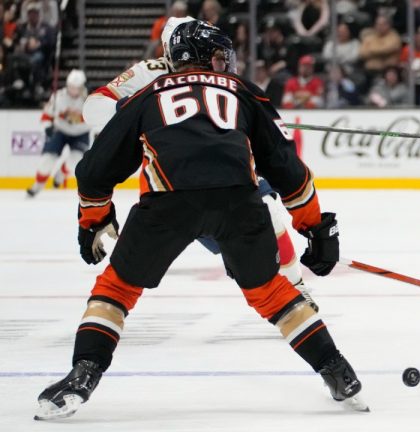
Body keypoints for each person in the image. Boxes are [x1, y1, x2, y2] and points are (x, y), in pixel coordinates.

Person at [33, 20, 367, 421]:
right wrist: (314, 225)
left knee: (117, 289)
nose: (225, 62)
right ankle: (337, 370)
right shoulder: (244, 90)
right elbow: (288, 170)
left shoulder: (146, 93)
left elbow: (93, 171)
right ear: (199, 54)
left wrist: (93, 219)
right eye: (220, 55)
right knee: (270, 293)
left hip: (167, 202)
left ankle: (83, 373)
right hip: (238, 201)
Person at [81, 16, 318, 311]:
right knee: (236, 241)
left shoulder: (212, 69)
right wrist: (134, 113)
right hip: (174, 181)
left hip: (228, 162)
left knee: (268, 210)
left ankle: (296, 288)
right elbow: (92, 107)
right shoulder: (150, 72)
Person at [26, 69, 89, 197]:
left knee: (76, 161)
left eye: (76, 88)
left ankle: (61, 174)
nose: (73, 90)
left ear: (82, 87)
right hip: (61, 130)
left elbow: (95, 118)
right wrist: (47, 127)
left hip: (81, 133)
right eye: (71, 87)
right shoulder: (58, 97)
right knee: (47, 159)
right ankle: (37, 185)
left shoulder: (89, 99)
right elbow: (46, 115)